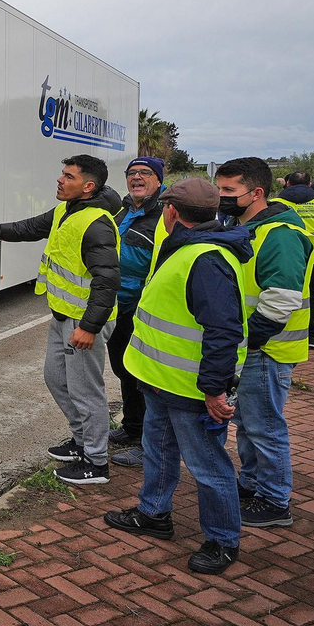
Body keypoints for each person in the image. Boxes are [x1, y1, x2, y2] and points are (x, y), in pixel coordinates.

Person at [102, 178, 252, 575]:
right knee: (159, 450)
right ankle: (153, 513)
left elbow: (223, 330)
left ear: (171, 212)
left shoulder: (205, 258)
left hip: (190, 389)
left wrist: (214, 390)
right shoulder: (188, 248)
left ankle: (223, 540)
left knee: (208, 466)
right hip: (161, 381)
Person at [0, 155, 120, 485]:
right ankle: (82, 441)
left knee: (86, 391)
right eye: (62, 174)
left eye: (69, 176)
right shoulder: (65, 211)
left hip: (83, 322)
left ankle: (96, 462)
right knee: (56, 378)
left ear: (88, 186)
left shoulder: (96, 224)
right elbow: (28, 228)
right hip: (62, 317)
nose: (60, 180)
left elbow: (107, 280)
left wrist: (89, 327)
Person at [214, 159, 312, 530]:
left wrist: (250, 340)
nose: (221, 197)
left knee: (264, 427)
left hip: (267, 349)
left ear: (256, 193)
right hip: (253, 347)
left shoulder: (280, 235)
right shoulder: (246, 228)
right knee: (248, 422)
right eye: (219, 189)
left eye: (229, 190)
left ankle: (274, 500)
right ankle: (253, 482)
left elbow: (281, 299)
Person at [107, 157, 166, 468]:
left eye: (145, 173)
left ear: (158, 179)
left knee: (144, 377)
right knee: (124, 369)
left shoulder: (166, 214)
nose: (137, 177)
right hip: (117, 304)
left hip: (142, 308)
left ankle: (147, 442)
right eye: (132, 173)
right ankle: (131, 427)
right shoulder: (123, 209)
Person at [277, 171, 314, 349]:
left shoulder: (277, 203)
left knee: (284, 295)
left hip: (287, 259)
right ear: (309, 184)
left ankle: (285, 335)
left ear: (288, 184)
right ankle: (313, 337)